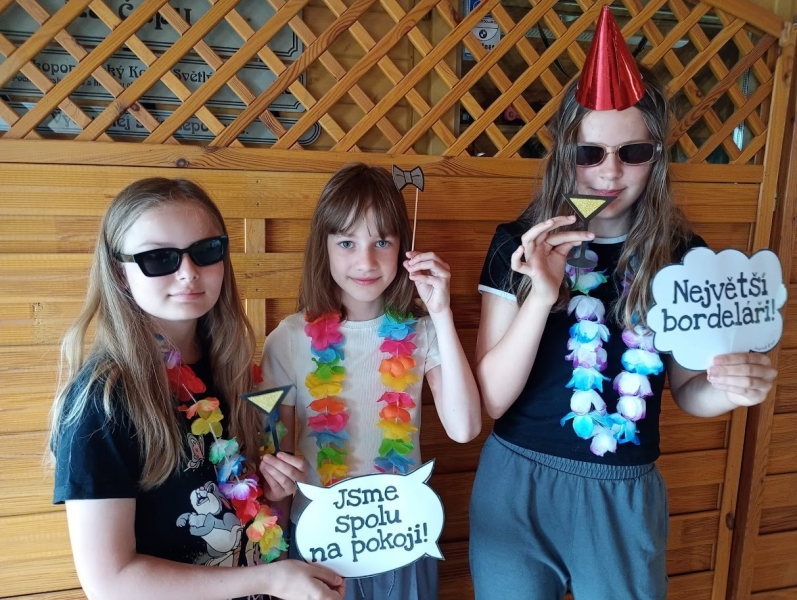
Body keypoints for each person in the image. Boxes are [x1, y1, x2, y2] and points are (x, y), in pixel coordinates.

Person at [468, 9, 777, 600]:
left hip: (623, 492)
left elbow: (689, 391)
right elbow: (492, 399)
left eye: (632, 151)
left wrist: (733, 388)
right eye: (590, 153)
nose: (610, 172)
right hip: (516, 484)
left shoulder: (684, 256)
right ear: (565, 153)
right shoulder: (519, 244)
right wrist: (542, 296)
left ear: (656, 156)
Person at [50, 177, 345, 600]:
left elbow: (252, 516)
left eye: (205, 251)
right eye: (158, 257)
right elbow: (109, 582)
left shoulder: (232, 371)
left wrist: (274, 492)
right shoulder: (103, 401)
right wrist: (271, 579)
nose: (188, 272)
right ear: (119, 272)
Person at [260, 162, 481, 600]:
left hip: (402, 538)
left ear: (403, 248)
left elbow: (465, 428)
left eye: (382, 241)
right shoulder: (287, 339)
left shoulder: (422, 333)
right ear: (323, 248)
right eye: (347, 242)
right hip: (320, 544)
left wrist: (440, 312)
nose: (366, 261)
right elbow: (275, 454)